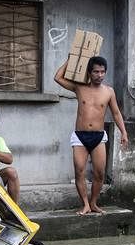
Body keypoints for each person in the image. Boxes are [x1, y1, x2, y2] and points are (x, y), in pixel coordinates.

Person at [54, 56, 129, 215]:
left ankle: (94, 203)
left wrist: (124, 132)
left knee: (100, 173)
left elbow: (116, 113)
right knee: (79, 170)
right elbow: (58, 78)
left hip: (98, 137)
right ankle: (85, 204)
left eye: (102, 72)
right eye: (96, 71)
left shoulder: (109, 92)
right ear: (89, 72)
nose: (99, 75)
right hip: (80, 136)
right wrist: (70, 60)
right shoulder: (79, 87)